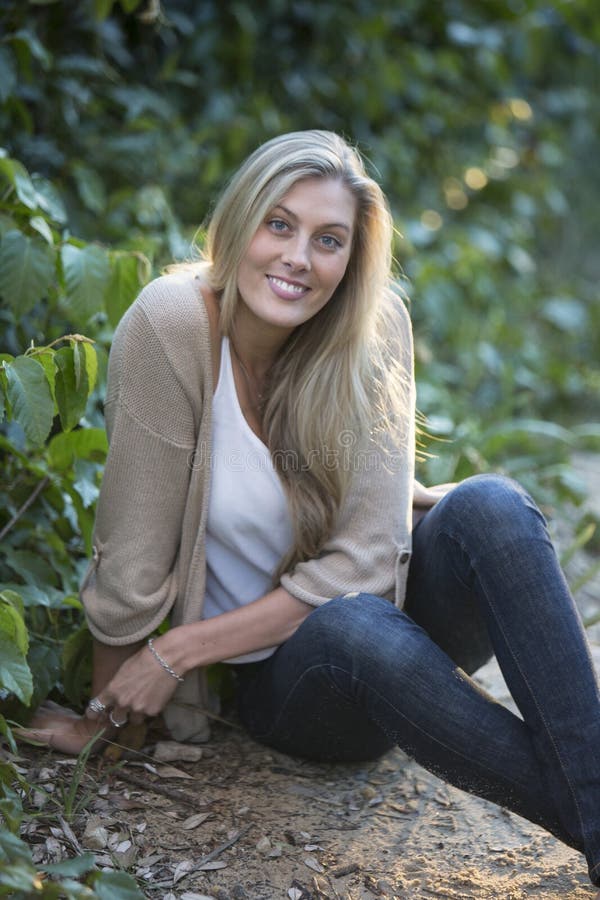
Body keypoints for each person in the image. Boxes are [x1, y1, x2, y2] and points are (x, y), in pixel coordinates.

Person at [25, 130, 600, 889]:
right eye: (279, 225)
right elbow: (132, 548)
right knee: (352, 625)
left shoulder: (373, 323)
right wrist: (108, 716)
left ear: (351, 258)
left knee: (490, 504)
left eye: (328, 240)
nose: (298, 257)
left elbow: (368, 561)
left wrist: (179, 649)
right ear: (239, 224)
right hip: (298, 683)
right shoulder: (172, 325)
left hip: (392, 614)